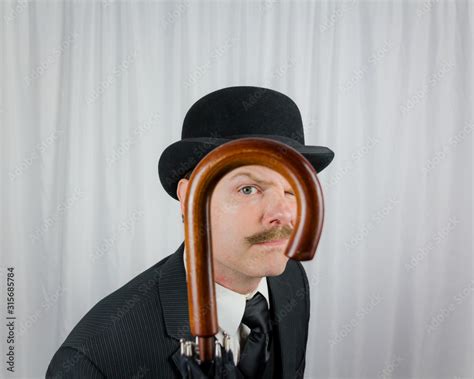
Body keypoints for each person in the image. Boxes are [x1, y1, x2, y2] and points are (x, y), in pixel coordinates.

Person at [46, 86, 334, 378]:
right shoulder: (93, 362)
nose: (283, 214)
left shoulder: (290, 281)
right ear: (189, 199)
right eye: (248, 189)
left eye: (293, 189)